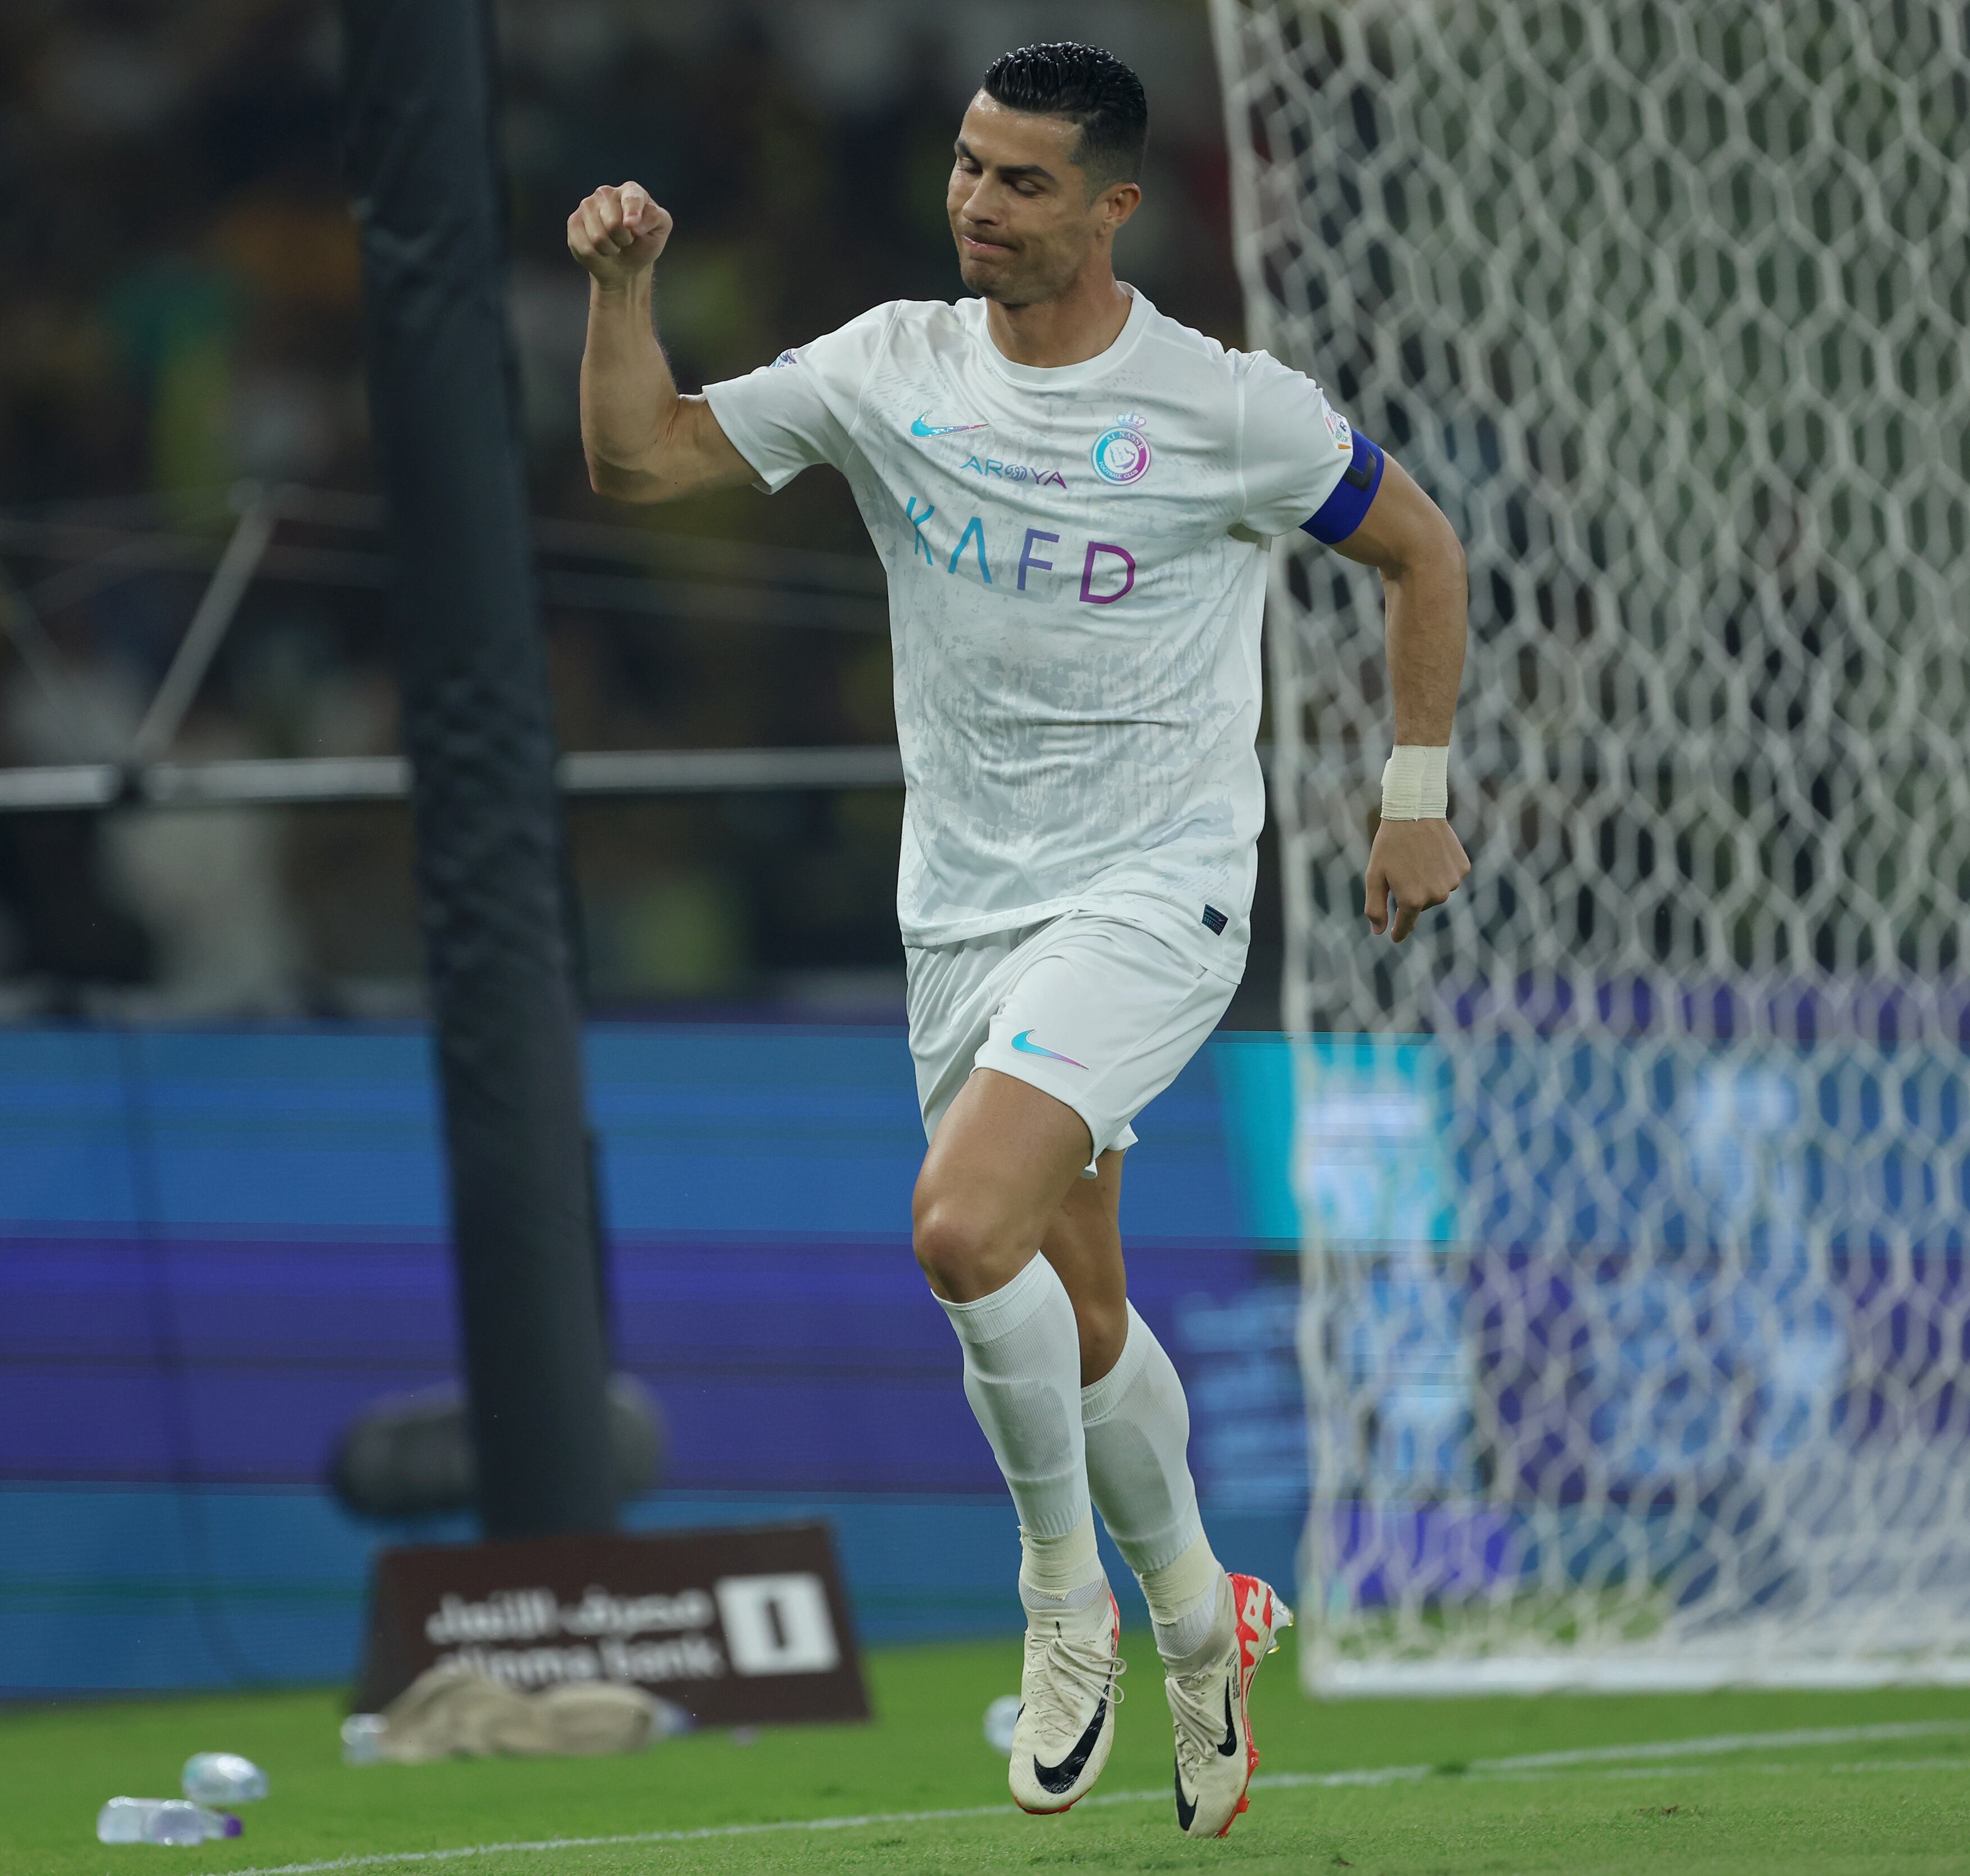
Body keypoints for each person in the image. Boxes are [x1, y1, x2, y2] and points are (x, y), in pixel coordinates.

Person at [568, 40, 1470, 1838]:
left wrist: (1413, 789)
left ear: (1115, 206)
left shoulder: (1227, 406)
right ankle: (1207, 1620)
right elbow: (643, 462)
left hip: (1159, 891)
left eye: (1025, 179)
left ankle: (1066, 1600)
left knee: (962, 1229)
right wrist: (623, 292)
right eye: (971, 167)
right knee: (1080, 1304)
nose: (980, 200)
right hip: (963, 904)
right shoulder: (884, 367)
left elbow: (1424, 551)